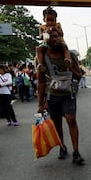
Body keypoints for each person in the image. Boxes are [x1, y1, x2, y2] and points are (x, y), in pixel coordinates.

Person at [36, 27, 85, 165]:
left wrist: (70, 68)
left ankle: (76, 152)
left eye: (57, 36)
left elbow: (79, 76)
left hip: (68, 94)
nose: (55, 39)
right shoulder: (41, 58)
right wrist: (40, 104)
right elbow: (40, 83)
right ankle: (62, 147)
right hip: (52, 96)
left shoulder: (69, 55)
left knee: (71, 119)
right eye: (52, 37)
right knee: (57, 123)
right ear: (46, 39)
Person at [36, 6, 71, 73]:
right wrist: (45, 33)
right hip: (47, 43)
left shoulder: (57, 25)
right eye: (48, 20)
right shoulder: (42, 27)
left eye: (53, 20)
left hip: (59, 42)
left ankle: (68, 59)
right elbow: (40, 36)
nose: (50, 23)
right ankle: (40, 64)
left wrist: (56, 29)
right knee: (39, 49)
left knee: (65, 47)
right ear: (44, 19)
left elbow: (62, 34)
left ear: (56, 20)